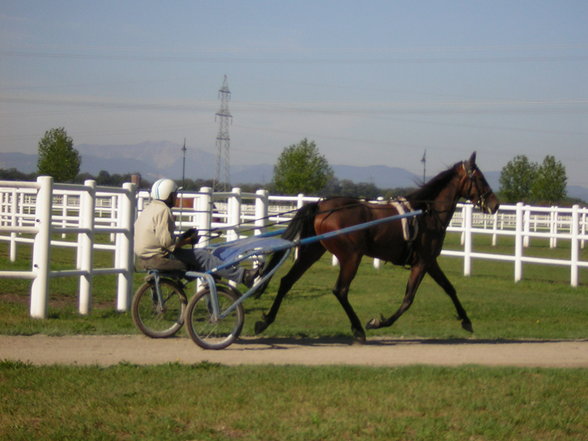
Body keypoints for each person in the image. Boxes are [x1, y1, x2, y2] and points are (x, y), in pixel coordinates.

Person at [134, 178, 259, 287]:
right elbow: (168, 244)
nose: (176, 198)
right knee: (203, 256)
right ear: (169, 195)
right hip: (159, 258)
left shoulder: (150, 208)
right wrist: (188, 240)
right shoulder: (164, 210)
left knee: (203, 260)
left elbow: (160, 239)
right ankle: (243, 276)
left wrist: (183, 237)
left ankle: (212, 292)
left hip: (145, 258)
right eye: (175, 195)